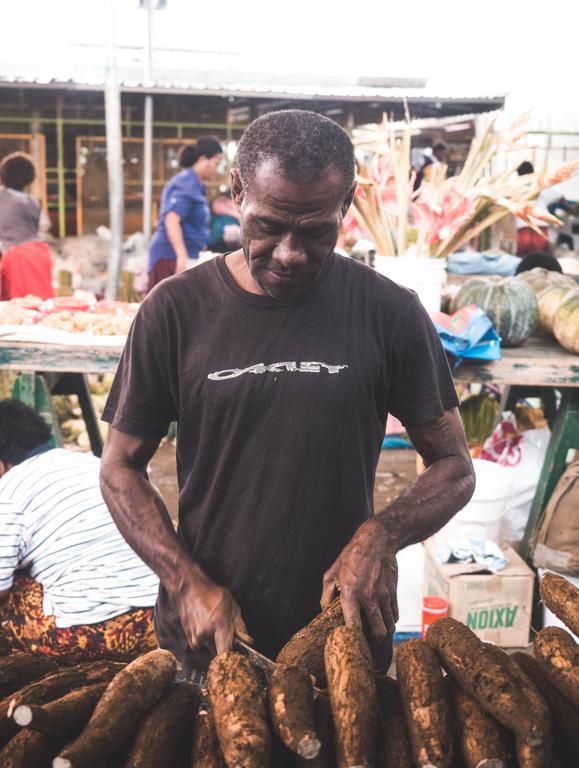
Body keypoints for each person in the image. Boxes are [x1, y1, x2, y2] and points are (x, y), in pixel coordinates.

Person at [100, 110, 474, 676]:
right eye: (268, 225)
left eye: (316, 230)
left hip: (341, 635)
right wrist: (184, 579)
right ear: (236, 194)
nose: (289, 253)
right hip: (214, 638)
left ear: (346, 206)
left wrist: (381, 537)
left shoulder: (389, 313)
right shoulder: (174, 311)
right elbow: (119, 468)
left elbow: (454, 465)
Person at [0, 399, 159, 662]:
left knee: (14, 593)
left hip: (92, 633)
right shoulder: (91, 464)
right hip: (160, 620)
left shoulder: (9, 491)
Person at [147, 138, 223, 290]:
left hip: (183, 256)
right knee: (166, 309)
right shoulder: (186, 182)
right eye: (216, 164)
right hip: (170, 257)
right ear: (203, 160)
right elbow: (172, 220)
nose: (217, 170)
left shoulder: (196, 184)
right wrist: (181, 256)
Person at [0, 152, 53, 300]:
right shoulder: (33, 202)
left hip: (19, 257)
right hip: (40, 253)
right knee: (38, 304)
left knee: (20, 307)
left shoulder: (2, 195)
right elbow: (44, 225)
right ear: (30, 178)